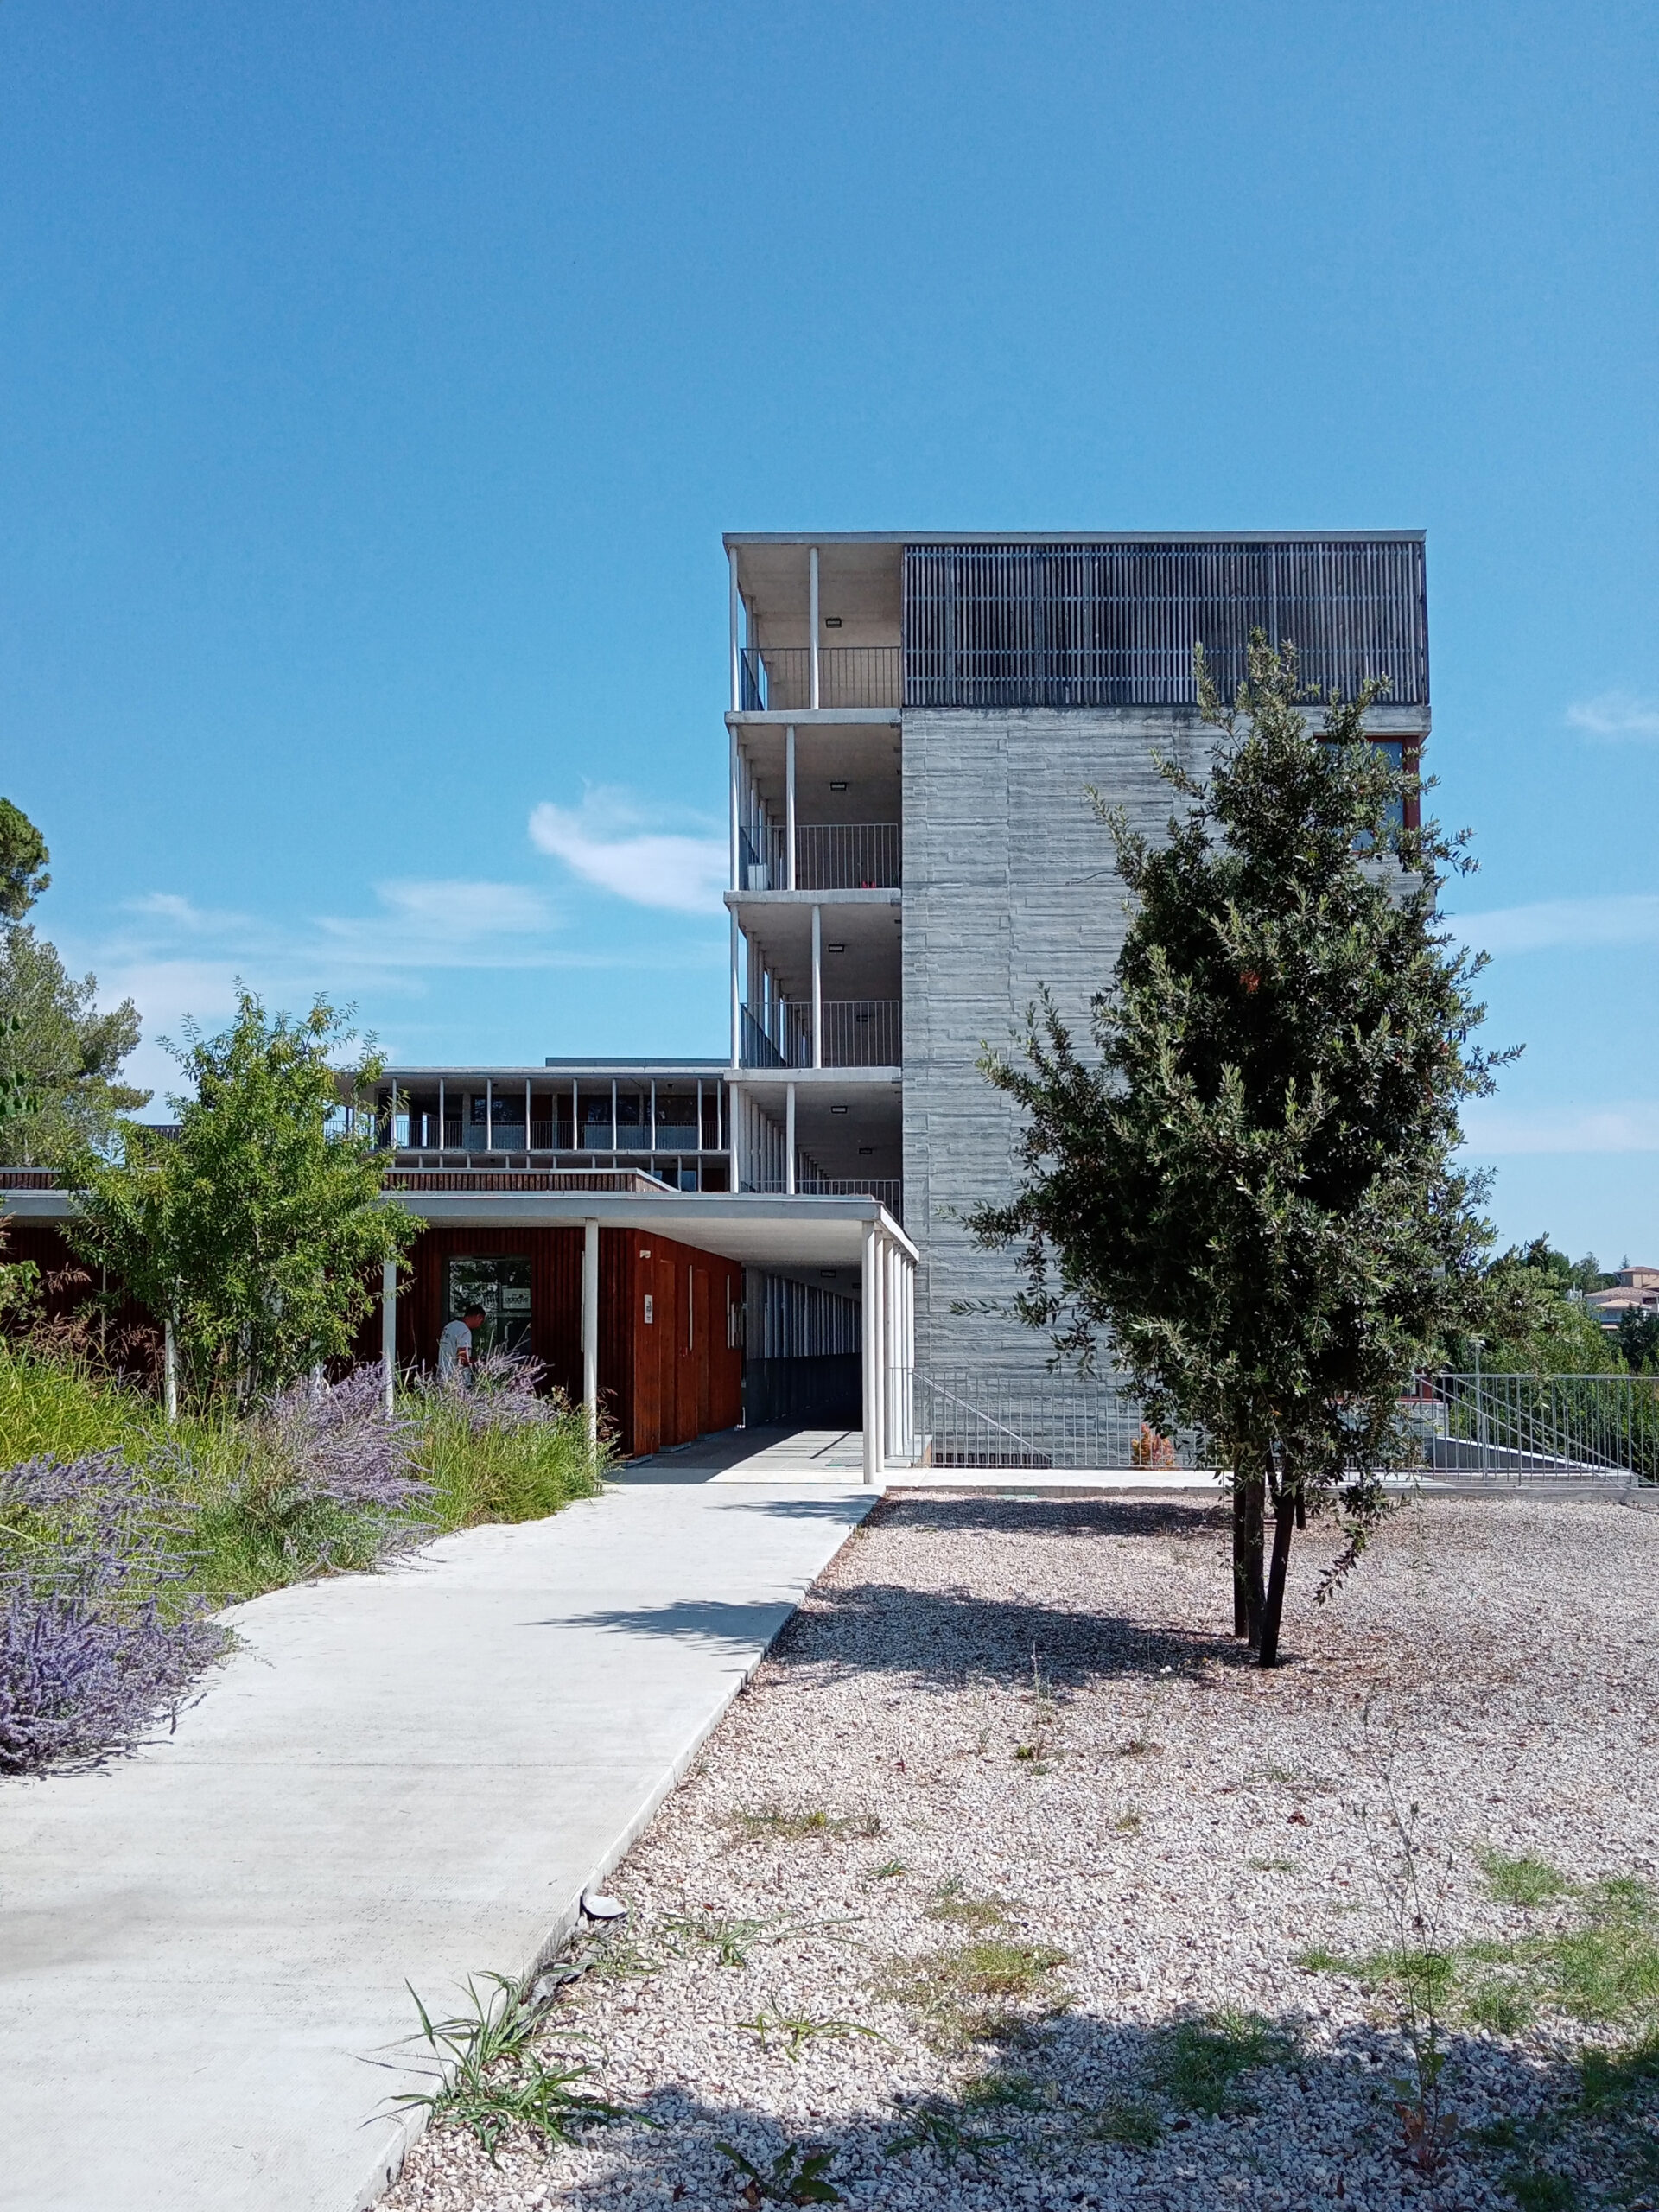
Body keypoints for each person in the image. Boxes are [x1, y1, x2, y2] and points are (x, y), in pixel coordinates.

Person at [437, 1303, 486, 1382]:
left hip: (443, 1375)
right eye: (481, 1322)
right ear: (478, 1317)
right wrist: (480, 1363)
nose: (479, 1326)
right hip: (457, 1380)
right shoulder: (465, 1331)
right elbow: (463, 1359)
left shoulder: (449, 1326)